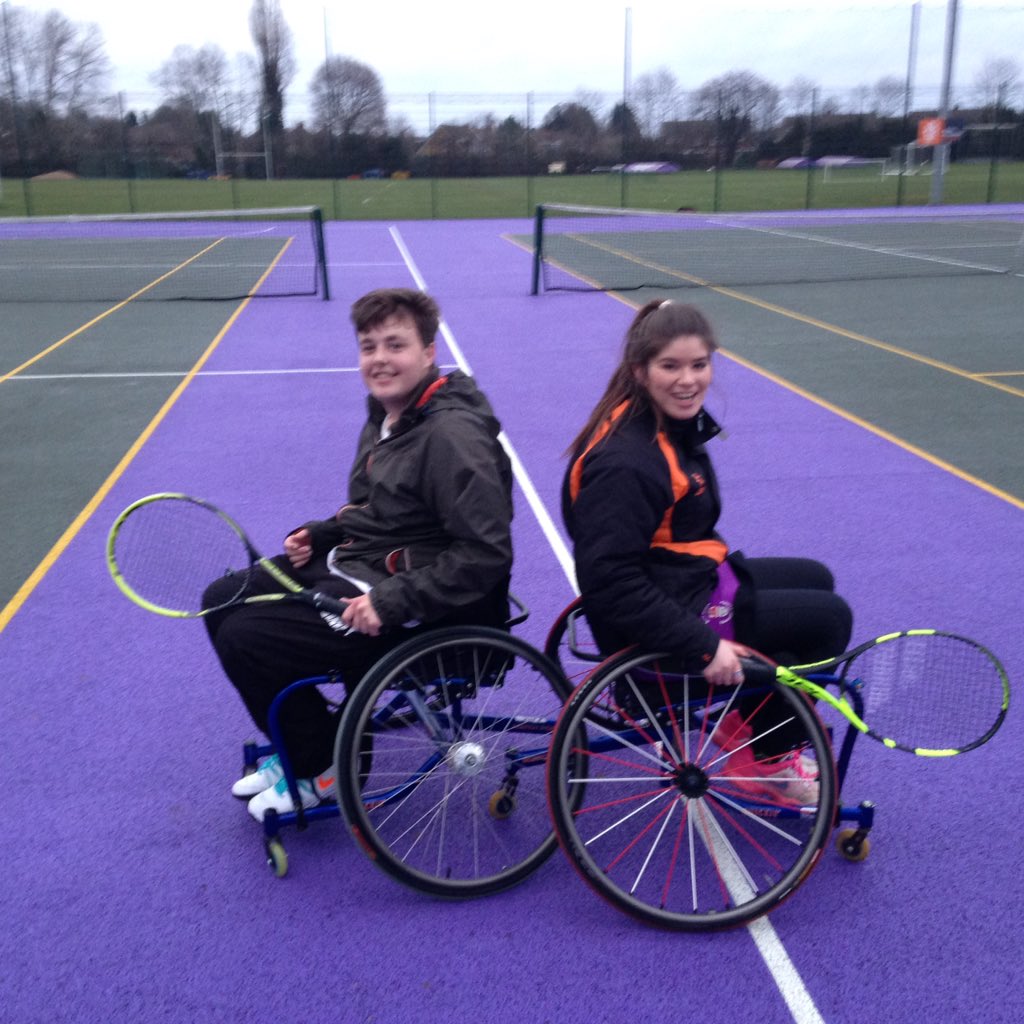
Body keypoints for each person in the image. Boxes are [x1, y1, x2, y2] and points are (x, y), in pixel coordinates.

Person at [203, 288, 513, 821]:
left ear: (428, 352)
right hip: (363, 566)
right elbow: (379, 508)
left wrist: (391, 602)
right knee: (222, 599)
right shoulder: (390, 414)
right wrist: (322, 534)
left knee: (248, 637)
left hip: (427, 608)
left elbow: (486, 554)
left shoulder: (451, 436)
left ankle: (323, 768)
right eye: (369, 347)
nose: (380, 359)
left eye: (395, 345)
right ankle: (307, 743)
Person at [562, 299, 852, 803]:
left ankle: (750, 723)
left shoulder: (657, 422)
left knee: (815, 577)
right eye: (670, 366)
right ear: (640, 371)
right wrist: (704, 645)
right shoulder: (628, 461)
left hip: (681, 577)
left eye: (699, 365)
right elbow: (608, 581)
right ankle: (768, 758)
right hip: (662, 618)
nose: (688, 380)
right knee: (828, 621)